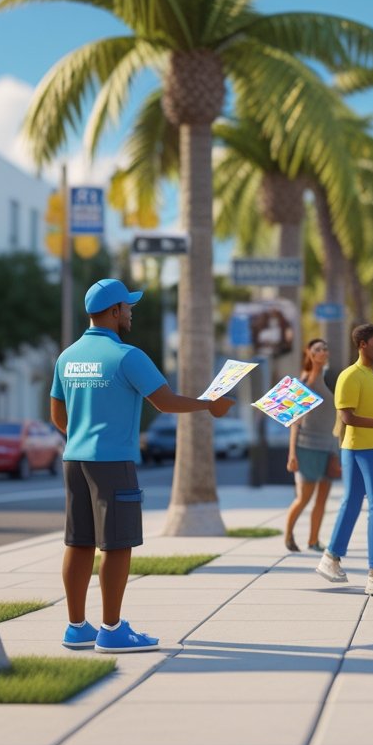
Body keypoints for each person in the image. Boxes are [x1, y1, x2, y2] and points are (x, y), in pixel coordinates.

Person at [51, 279, 234, 653]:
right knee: (116, 545)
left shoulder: (66, 357)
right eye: (128, 307)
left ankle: (76, 627)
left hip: (75, 460)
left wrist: (82, 435)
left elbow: (57, 415)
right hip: (113, 462)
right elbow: (164, 402)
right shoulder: (127, 356)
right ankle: (112, 630)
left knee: (79, 541)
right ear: (115, 311)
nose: (131, 313)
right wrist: (208, 405)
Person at [315, 323, 373, 596]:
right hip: (362, 447)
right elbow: (348, 417)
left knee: (353, 503)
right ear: (362, 345)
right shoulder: (350, 376)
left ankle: (330, 558)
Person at [284, 338, 340, 553]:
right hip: (306, 447)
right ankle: (289, 534)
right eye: (317, 349)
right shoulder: (303, 383)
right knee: (304, 498)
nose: (323, 351)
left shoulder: (328, 380)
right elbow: (294, 422)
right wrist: (292, 454)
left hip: (328, 446)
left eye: (325, 348)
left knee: (322, 498)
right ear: (308, 352)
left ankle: (313, 541)